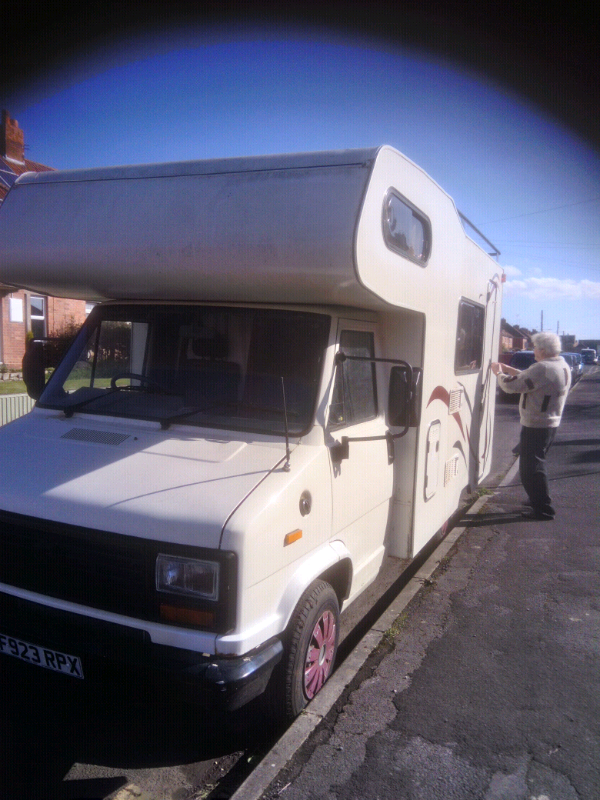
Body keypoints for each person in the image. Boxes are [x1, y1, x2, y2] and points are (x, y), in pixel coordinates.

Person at [491, 332, 571, 520]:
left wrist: (498, 373)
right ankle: (538, 499)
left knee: (530, 468)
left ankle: (542, 509)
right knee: (537, 464)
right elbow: (532, 380)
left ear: (542, 350)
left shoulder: (542, 367)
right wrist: (510, 369)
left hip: (537, 424)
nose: (533, 350)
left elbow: (512, 386)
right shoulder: (561, 364)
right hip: (550, 423)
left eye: (534, 347)